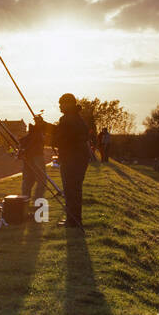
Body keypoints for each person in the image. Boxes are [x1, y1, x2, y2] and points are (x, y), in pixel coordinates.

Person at [53, 93, 91, 228]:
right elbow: (61, 133)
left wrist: (43, 128)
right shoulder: (74, 118)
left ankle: (73, 221)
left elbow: (60, 138)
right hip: (78, 158)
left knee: (71, 190)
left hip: (73, 159)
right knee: (73, 190)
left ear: (69, 104)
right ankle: (73, 219)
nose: (59, 106)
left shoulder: (68, 119)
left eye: (61, 103)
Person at [19, 115, 47, 203]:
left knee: (27, 182)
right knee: (41, 181)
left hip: (28, 158)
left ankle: (24, 202)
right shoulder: (37, 132)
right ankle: (37, 202)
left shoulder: (32, 131)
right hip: (36, 157)